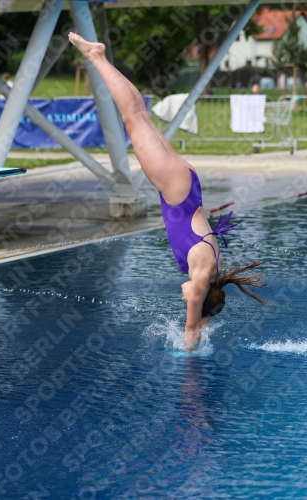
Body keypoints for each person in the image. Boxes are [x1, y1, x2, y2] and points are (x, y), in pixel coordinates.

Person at [68, 33, 266, 350]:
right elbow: (190, 334)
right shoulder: (201, 280)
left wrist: (206, 318)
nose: (184, 295)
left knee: (138, 117)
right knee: (133, 118)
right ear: (200, 299)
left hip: (186, 186)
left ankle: (100, 58)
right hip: (176, 189)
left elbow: (202, 317)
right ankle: (97, 57)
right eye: (190, 299)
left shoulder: (211, 270)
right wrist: (192, 357)